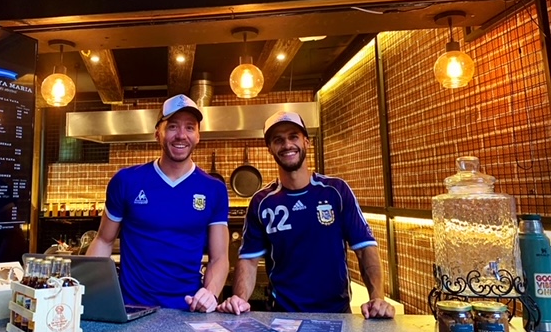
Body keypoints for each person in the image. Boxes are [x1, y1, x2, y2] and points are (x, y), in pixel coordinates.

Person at [217, 110, 395, 319]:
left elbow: (365, 249)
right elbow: (248, 261)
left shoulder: (336, 191)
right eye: (278, 140)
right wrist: (240, 299)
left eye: (293, 136)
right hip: (283, 317)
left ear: (306, 141)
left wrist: (378, 297)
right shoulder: (261, 202)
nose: (287, 145)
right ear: (270, 148)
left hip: (338, 316)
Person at [86, 94, 229, 313]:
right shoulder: (126, 181)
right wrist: (88, 294)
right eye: (172, 126)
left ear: (198, 135)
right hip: (131, 308)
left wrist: (210, 293)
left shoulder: (214, 189)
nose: (181, 135)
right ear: (157, 134)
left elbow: (219, 258)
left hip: (188, 311)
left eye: (190, 127)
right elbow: (104, 240)